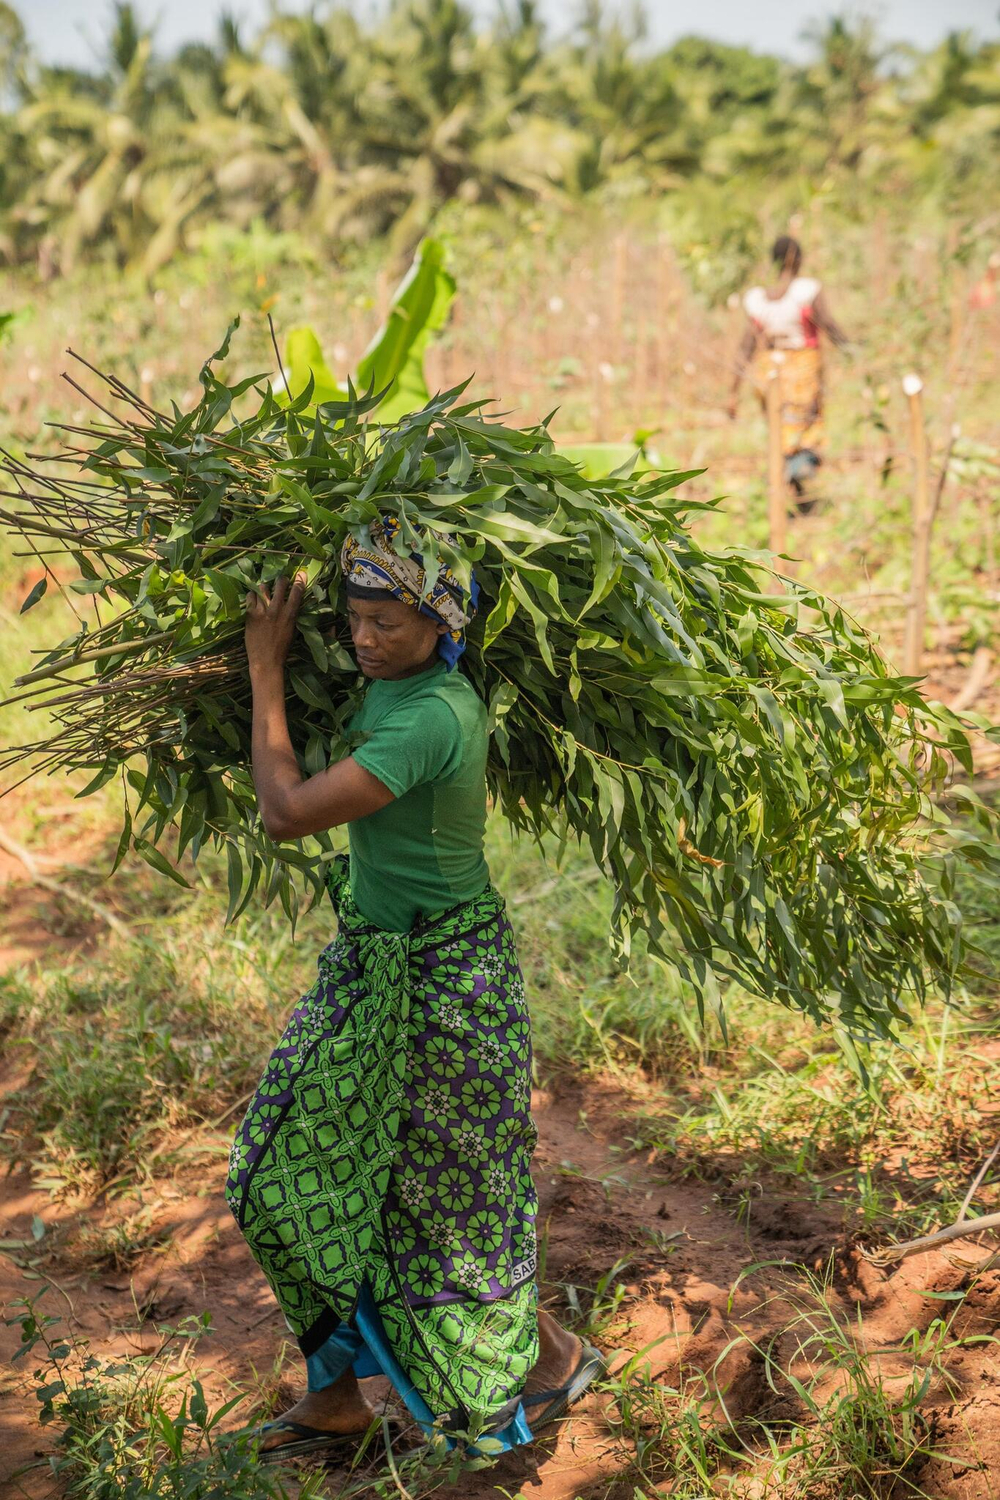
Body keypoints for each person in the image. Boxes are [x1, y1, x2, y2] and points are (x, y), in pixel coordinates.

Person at [226, 516, 605, 1465]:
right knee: (278, 1178)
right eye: (352, 620)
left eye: (385, 623)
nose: (361, 639)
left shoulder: (437, 716)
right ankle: (337, 1398)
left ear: (442, 623)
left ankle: (550, 1360)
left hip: (449, 979)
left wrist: (264, 666)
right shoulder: (386, 691)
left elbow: (284, 814)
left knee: (438, 1203)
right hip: (372, 961)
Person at [728, 235, 850, 499]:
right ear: (800, 260)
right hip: (803, 369)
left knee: (779, 424)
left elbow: (746, 346)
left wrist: (733, 390)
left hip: (770, 371)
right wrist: (852, 350)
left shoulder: (759, 299)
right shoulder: (806, 291)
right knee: (807, 424)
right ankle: (799, 473)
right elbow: (828, 324)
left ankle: (788, 481)